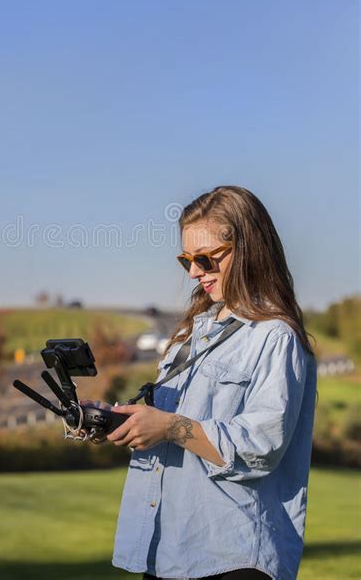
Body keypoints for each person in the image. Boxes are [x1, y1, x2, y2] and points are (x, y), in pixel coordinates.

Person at [107, 185, 318, 580]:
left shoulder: (274, 336)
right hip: (167, 550)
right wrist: (119, 420)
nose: (193, 272)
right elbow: (168, 426)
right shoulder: (190, 335)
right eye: (186, 259)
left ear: (248, 249)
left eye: (205, 258)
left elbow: (260, 446)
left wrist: (169, 427)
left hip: (232, 557)